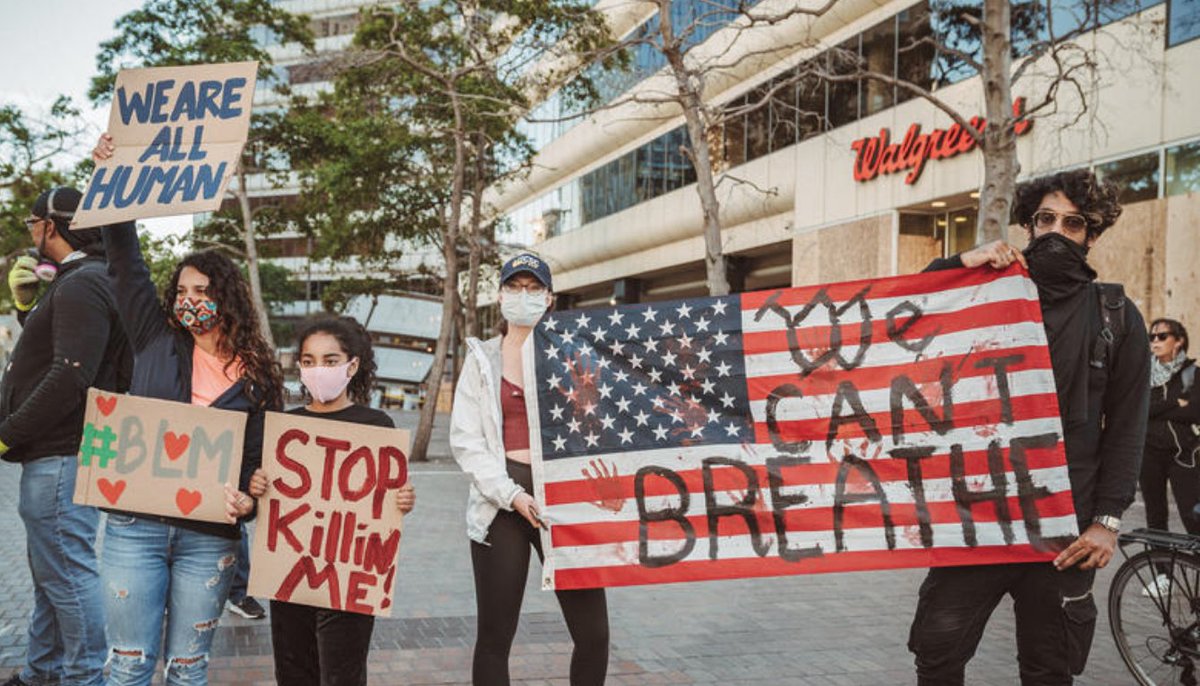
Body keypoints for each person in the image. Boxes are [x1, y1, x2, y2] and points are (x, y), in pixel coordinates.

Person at [907, 169, 1150, 685]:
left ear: (1092, 234)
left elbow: (1129, 427)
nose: (1057, 231)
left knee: (1050, 668)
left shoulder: (1118, 318)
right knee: (938, 655)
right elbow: (902, 318)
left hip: (1067, 531)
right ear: (1028, 226)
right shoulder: (980, 295)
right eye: (1046, 218)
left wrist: (1107, 522)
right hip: (978, 521)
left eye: (1073, 222)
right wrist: (956, 265)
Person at [92, 134, 284, 685]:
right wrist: (113, 176)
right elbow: (125, 263)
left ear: (227, 296)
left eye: (202, 289)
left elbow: (255, 463)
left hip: (209, 539)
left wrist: (247, 500)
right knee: (128, 665)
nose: (189, 299)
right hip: (135, 528)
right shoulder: (154, 339)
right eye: (181, 289)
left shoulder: (259, 376)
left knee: (188, 666)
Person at [450, 254, 609, 686]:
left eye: (533, 288)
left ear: (549, 297)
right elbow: (467, 441)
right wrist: (511, 494)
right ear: (500, 296)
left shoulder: (575, 356)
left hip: (565, 501)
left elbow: (599, 427)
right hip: (500, 501)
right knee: (495, 637)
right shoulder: (480, 360)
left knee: (594, 634)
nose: (524, 296)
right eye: (514, 288)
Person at [0, 187, 131, 686]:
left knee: (70, 578)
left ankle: (82, 677)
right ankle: (42, 673)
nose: (30, 232)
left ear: (49, 227)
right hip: (61, 455)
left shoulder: (83, 283)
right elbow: (59, 352)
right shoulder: (87, 280)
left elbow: (68, 375)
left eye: (32, 223)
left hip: (59, 457)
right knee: (51, 579)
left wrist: (6, 435)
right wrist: (25, 306)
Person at [248, 316, 416, 686]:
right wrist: (257, 487)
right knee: (294, 673)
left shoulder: (377, 426)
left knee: (343, 675)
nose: (317, 370)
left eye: (330, 360)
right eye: (308, 361)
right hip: (290, 575)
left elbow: (386, 502)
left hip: (348, 579)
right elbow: (261, 503)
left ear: (352, 365)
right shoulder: (283, 429)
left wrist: (402, 500)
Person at [1139, 318, 1200, 539]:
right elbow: (1139, 410)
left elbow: (1195, 412)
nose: (1155, 341)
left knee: (1192, 514)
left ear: (1178, 341)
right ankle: (1162, 573)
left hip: (1183, 454)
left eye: (1162, 336)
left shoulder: (1192, 374)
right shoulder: (1142, 375)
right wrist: (1175, 402)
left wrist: (1154, 410)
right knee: (1155, 517)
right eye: (1152, 337)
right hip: (1148, 452)